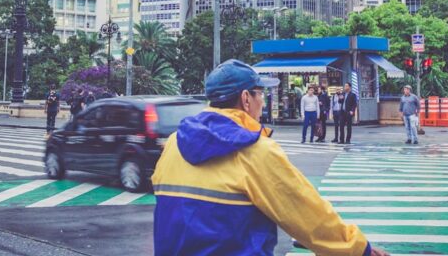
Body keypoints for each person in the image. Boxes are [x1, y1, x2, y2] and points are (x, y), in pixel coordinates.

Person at [152, 59, 389, 256]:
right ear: (246, 98)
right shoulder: (256, 150)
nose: (262, 102)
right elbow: (307, 213)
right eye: (260, 95)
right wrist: (359, 249)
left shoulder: (174, 142)